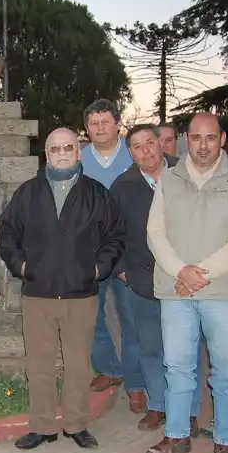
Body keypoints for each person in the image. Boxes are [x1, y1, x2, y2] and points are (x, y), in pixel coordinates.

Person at [145, 112, 228, 453]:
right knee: (177, 366)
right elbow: (155, 233)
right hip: (175, 290)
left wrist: (199, 275)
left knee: (226, 371)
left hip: (223, 292)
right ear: (185, 141)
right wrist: (181, 270)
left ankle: (227, 441)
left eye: (211, 138)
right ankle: (177, 433)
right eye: (196, 138)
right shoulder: (169, 179)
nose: (203, 145)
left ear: (222, 139)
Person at [0, 127, 125, 451]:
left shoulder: (97, 194)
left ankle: (76, 425)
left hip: (80, 296)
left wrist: (97, 269)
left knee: (79, 365)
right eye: (55, 149)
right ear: (47, 153)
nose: (62, 153)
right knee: (38, 364)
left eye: (68, 147)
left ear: (78, 151)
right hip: (37, 294)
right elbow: (8, 233)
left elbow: (115, 236)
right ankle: (42, 427)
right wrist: (22, 267)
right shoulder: (27, 193)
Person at [110, 124, 204, 432]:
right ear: (131, 152)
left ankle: (187, 408)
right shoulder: (123, 186)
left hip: (185, 278)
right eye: (137, 146)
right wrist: (122, 270)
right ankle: (158, 405)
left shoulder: (186, 174)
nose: (145, 150)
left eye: (150, 142)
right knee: (150, 347)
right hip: (143, 281)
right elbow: (111, 233)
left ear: (161, 144)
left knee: (185, 348)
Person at [79, 99, 145, 411]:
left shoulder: (133, 155)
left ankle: (136, 383)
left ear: (117, 124)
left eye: (106, 121)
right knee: (90, 317)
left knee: (131, 319)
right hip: (90, 254)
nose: (100, 128)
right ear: (87, 128)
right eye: (94, 123)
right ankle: (110, 368)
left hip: (128, 254)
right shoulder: (77, 159)